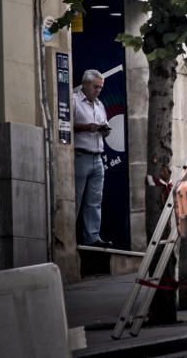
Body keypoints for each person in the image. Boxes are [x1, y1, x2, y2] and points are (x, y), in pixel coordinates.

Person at [73, 69, 111, 248]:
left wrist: (104, 130)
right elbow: (65, 125)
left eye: (101, 88)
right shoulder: (73, 101)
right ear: (86, 84)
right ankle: (69, 237)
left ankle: (93, 237)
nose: (98, 90)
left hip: (98, 157)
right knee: (75, 199)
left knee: (94, 201)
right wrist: (86, 127)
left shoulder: (99, 105)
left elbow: (105, 127)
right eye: (95, 87)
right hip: (80, 155)